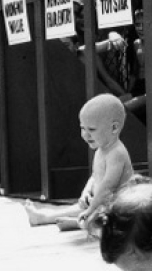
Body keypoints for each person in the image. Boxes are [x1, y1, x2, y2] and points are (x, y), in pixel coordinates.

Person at [24, 94, 134, 231]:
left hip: (118, 205)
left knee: (114, 216)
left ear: (114, 128)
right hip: (100, 202)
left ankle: (81, 222)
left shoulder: (117, 153)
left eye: (92, 129)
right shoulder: (101, 150)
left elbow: (108, 186)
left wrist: (92, 208)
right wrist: (86, 192)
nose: (85, 135)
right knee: (81, 207)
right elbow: (95, 176)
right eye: (82, 128)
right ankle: (44, 217)